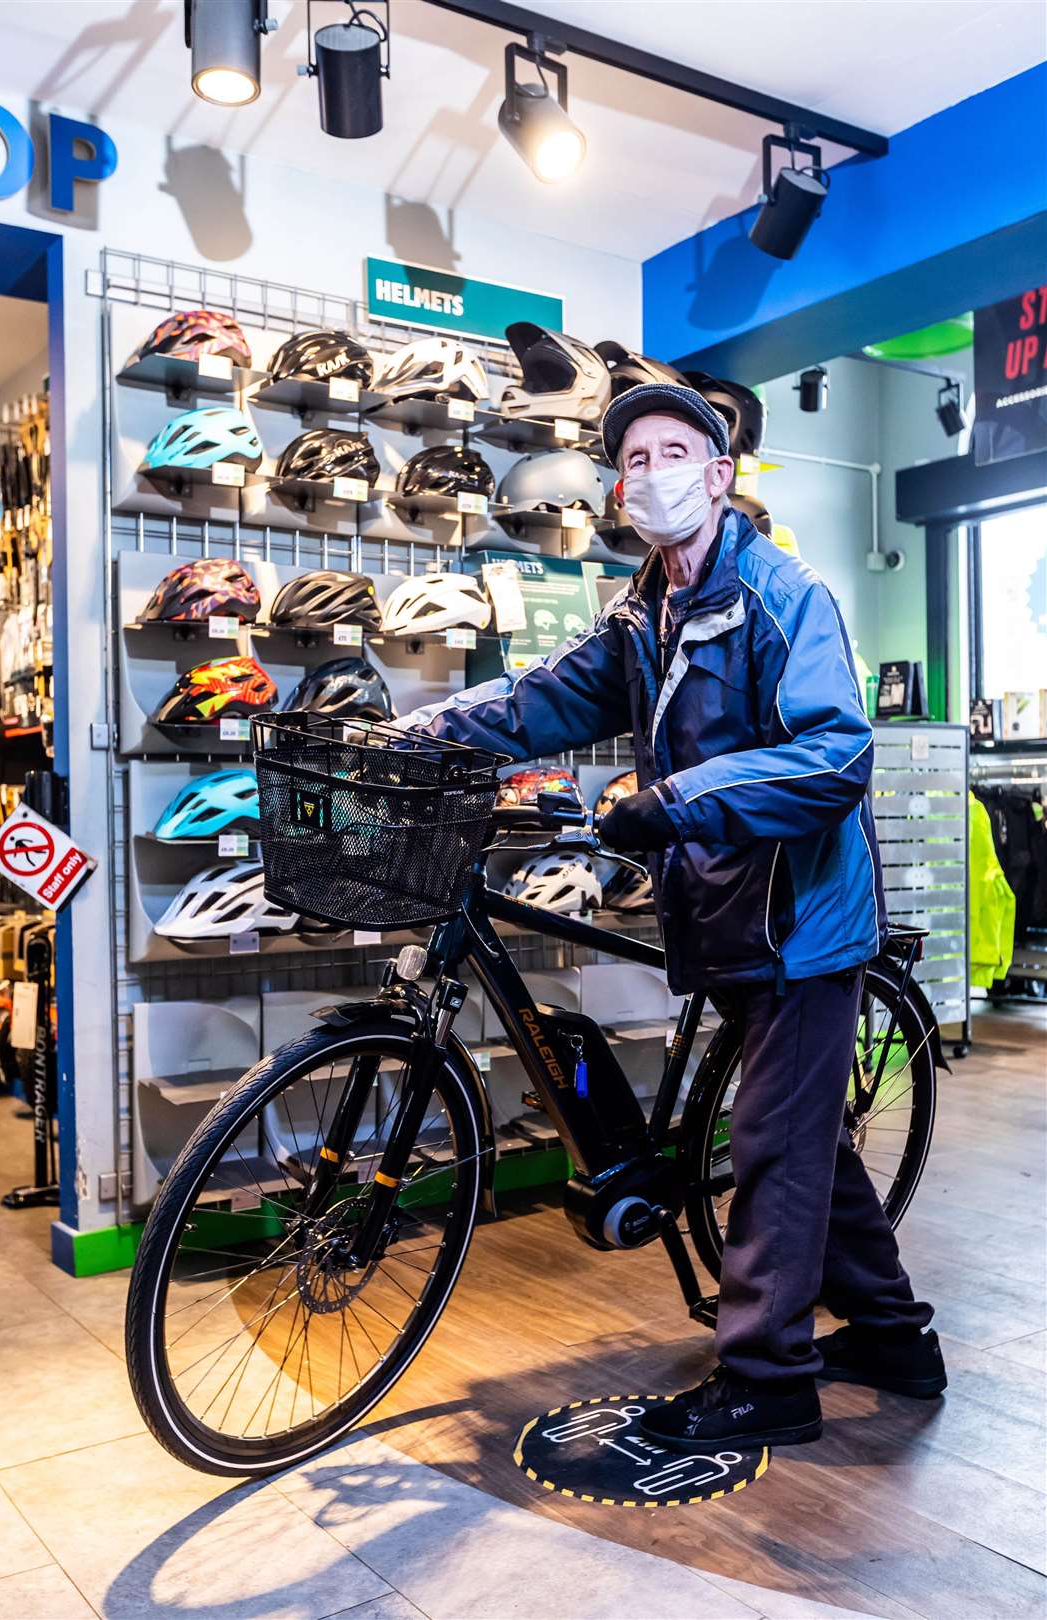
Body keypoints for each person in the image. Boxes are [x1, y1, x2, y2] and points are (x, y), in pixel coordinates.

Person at [396, 380, 946, 1450]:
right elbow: (541, 699)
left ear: (721, 471)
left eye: (672, 450)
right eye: (632, 458)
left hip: (800, 919)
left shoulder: (785, 595)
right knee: (804, 1145)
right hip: (725, 911)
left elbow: (833, 754)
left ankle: (769, 1383)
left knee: (773, 1150)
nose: (649, 473)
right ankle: (893, 1336)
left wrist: (675, 799)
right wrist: (419, 731)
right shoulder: (645, 608)